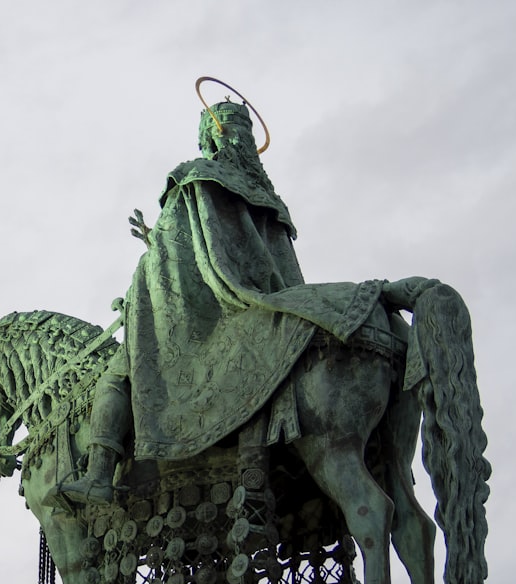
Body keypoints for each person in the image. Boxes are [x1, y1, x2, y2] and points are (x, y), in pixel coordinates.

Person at [61, 99, 377, 503]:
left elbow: (168, 262)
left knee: (118, 373)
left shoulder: (195, 177)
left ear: (211, 134)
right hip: (266, 299)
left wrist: (150, 250)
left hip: (207, 310)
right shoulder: (271, 202)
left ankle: (98, 476)